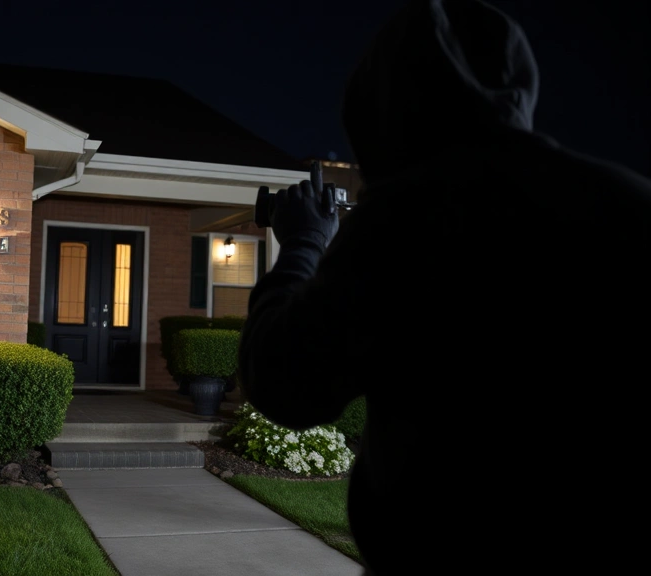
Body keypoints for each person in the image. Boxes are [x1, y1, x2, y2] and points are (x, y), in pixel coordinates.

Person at [238, 0, 651, 573]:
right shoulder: (627, 203)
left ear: (380, 106)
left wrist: (305, 243)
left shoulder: (403, 225)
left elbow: (283, 380)